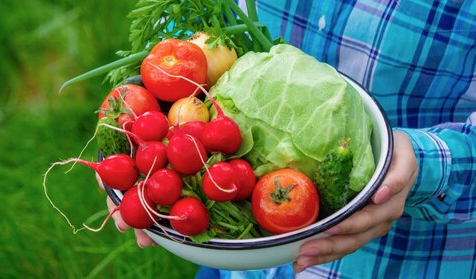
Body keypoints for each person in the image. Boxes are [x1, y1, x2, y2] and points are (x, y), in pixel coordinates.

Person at [107, 0, 476, 278]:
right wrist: (136, 117)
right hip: (234, 260)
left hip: (401, 259)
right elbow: (198, 20)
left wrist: (428, 164)